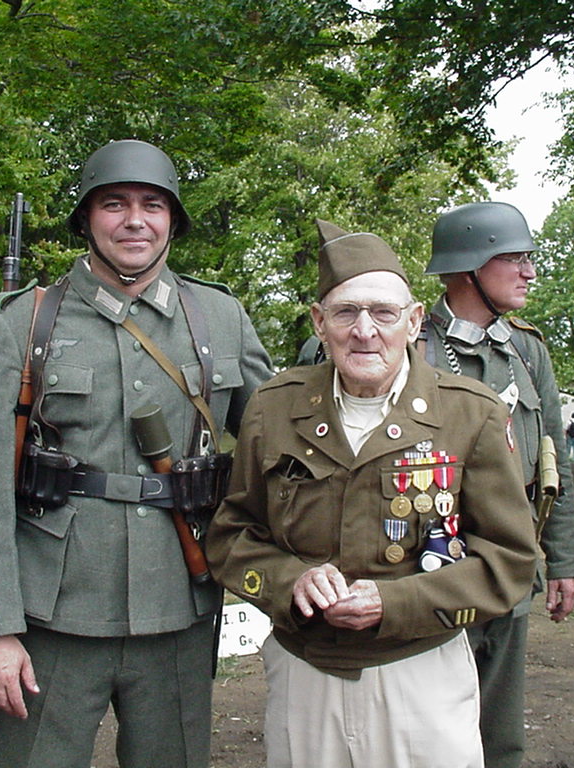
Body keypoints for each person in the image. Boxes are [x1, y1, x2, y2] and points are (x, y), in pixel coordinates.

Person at [0, 139, 274, 768]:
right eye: (114, 204)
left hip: (178, 604)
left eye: (153, 205)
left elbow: (278, 443)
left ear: (172, 220)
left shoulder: (219, 317)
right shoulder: (24, 323)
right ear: (86, 219)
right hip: (52, 613)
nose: (135, 221)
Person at [207, 219, 537, 768]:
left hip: (421, 671)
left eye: (383, 313)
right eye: (345, 313)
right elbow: (232, 535)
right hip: (304, 672)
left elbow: (510, 561)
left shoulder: (470, 413)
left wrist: (395, 603)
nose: (365, 331)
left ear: (413, 321)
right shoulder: (273, 408)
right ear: (320, 322)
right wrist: (291, 581)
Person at [420, 201, 574, 768]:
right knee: (431, 729)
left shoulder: (527, 349)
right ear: (469, 267)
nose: (529, 272)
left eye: (528, 258)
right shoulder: (411, 345)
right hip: (431, 573)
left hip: (512, 565)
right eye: (513, 259)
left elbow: (554, 462)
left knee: (502, 732)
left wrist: (564, 561)